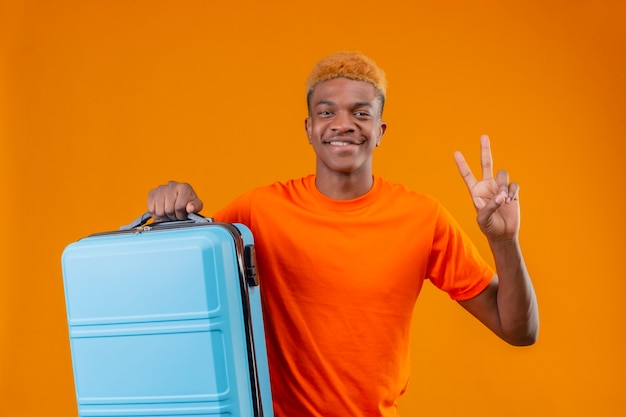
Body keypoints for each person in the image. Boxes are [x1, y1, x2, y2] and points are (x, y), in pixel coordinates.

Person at [147, 52, 539, 417]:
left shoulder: (423, 217)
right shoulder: (258, 212)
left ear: (380, 130)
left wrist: (504, 241)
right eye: (326, 111)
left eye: (360, 112)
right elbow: (183, 287)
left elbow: (519, 330)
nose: (342, 123)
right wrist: (175, 215)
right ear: (309, 128)